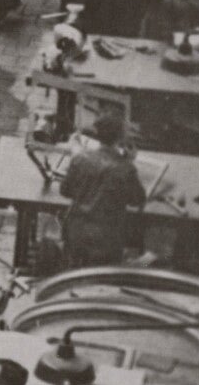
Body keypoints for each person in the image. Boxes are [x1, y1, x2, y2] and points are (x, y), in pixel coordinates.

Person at [59, 111, 147, 269]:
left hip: (76, 233)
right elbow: (137, 200)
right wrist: (128, 161)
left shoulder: (80, 159)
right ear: (120, 138)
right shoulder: (125, 168)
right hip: (107, 239)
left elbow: (65, 190)